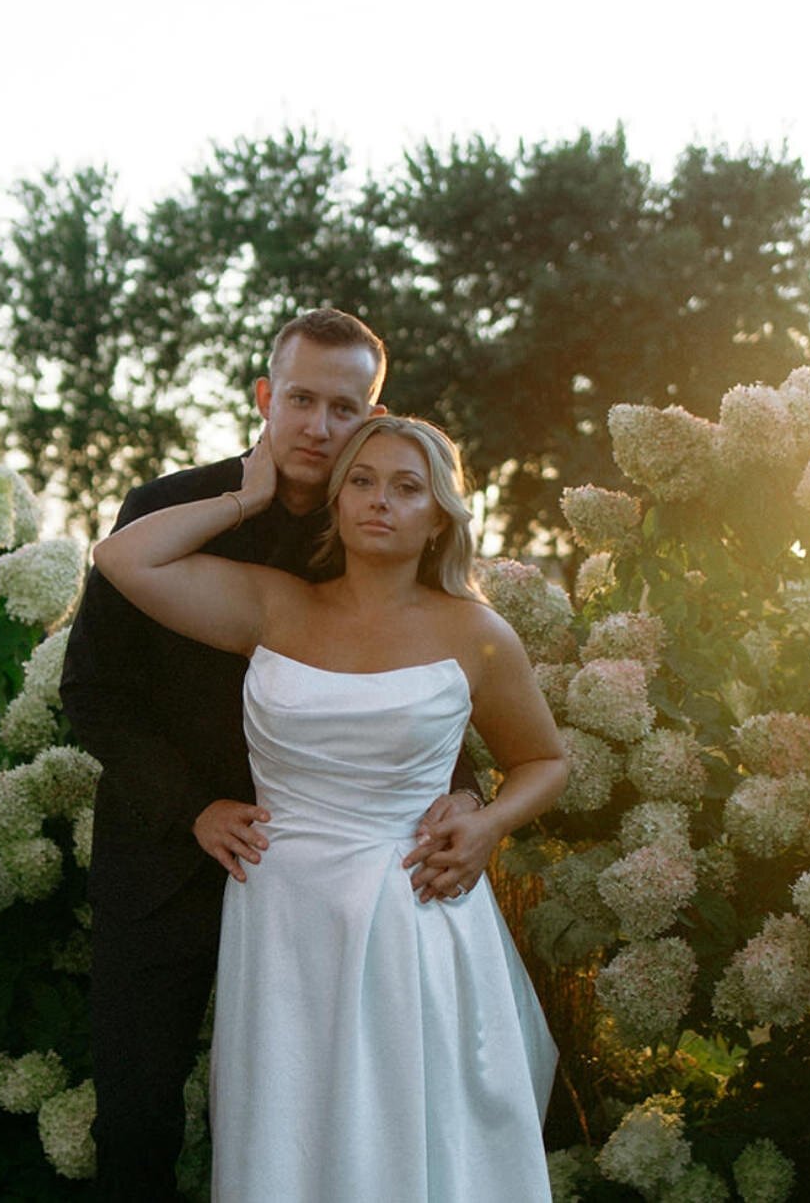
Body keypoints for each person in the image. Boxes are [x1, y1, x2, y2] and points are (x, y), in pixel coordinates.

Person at [59, 310, 486, 1200]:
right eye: (300, 399)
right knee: (138, 1110)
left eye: (344, 405)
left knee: (292, 1110)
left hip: (320, 882)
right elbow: (92, 693)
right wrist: (192, 809)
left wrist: (468, 792)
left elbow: (424, 677)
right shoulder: (166, 512)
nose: (320, 426)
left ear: (370, 411)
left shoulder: (371, 523)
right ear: (265, 397)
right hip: (164, 850)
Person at [92, 413, 568, 1202]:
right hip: (283, 914)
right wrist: (246, 498)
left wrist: (486, 824)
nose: (380, 501)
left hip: (415, 906)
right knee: (290, 1126)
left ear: (439, 514)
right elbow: (123, 556)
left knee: (409, 1127)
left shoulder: (477, 633)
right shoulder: (277, 607)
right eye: (362, 481)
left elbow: (543, 761)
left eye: (407, 487)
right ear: (337, 502)